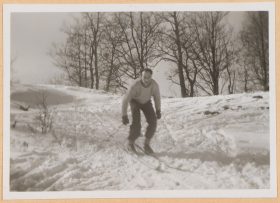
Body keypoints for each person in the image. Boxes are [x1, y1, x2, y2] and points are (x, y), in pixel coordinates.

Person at [122, 68, 161, 154]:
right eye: (144, 77)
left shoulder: (154, 85)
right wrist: (124, 115)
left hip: (146, 102)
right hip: (135, 101)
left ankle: (146, 145)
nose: (146, 79)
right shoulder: (135, 85)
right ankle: (130, 143)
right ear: (141, 76)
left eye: (148, 77)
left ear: (151, 77)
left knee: (153, 121)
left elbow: (157, 98)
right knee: (136, 124)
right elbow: (125, 100)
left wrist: (158, 110)